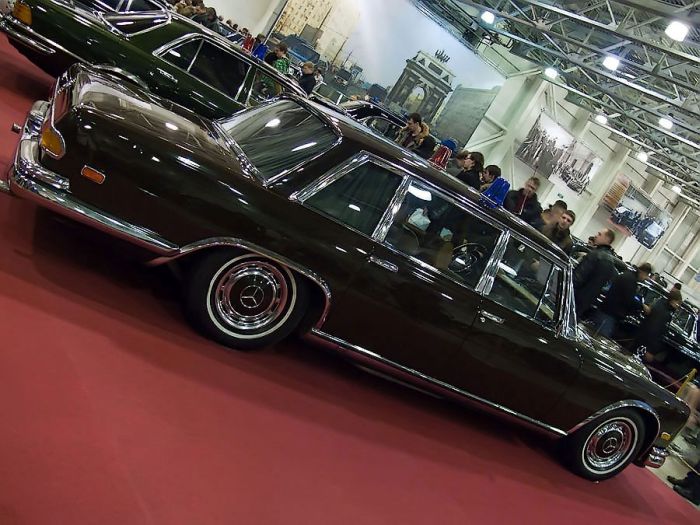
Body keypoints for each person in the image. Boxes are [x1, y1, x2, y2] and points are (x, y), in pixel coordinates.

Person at [592, 262, 652, 338]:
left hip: (606, 311)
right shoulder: (630, 281)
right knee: (599, 337)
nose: (646, 278)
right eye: (646, 275)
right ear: (642, 272)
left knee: (596, 335)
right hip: (609, 315)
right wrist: (643, 306)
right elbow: (629, 299)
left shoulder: (628, 276)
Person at [572, 229, 617, 320]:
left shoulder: (595, 255)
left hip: (574, 297)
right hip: (587, 302)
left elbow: (577, 278)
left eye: (599, 234)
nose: (596, 235)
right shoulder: (611, 262)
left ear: (607, 239)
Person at [637, 288, 683, 363]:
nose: (678, 306)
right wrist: (650, 350)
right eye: (678, 303)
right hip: (645, 344)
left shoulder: (661, 304)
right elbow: (654, 329)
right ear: (673, 301)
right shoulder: (665, 313)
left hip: (641, 338)